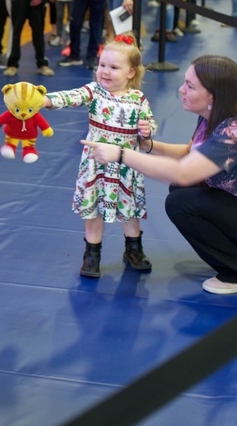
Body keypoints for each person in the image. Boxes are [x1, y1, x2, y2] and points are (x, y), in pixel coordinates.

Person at [82, 55, 237, 294]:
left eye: (190, 86)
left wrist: (120, 154)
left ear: (212, 96)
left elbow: (183, 172)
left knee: (181, 202)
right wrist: (147, 145)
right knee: (183, 192)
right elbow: (191, 154)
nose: (181, 89)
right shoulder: (218, 113)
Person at [44, 36, 157, 278]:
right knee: (93, 208)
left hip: (126, 164)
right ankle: (92, 253)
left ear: (131, 72)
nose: (105, 72)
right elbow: (70, 96)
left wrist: (147, 130)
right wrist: (44, 100)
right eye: (102, 65)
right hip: (96, 164)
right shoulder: (94, 91)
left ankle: (133, 249)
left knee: (130, 210)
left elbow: (149, 126)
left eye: (113, 67)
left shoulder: (138, 99)